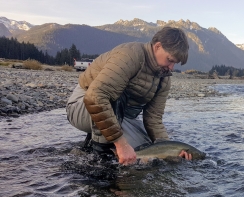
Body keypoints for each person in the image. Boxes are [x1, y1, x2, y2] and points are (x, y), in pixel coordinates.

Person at [66, 27, 192, 165]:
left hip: (121, 116)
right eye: (169, 60)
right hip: (83, 105)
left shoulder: (164, 78)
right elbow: (95, 97)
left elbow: (154, 119)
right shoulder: (130, 56)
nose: (171, 68)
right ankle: (99, 161)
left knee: (145, 150)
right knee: (114, 98)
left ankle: (96, 144)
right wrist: (121, 144)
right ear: (157, 46)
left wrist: (170, 151)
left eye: (175, 63)